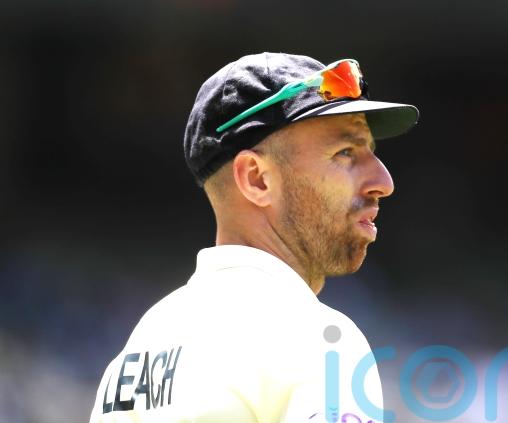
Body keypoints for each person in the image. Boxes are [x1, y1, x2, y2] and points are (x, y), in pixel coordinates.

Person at [89, 52, 419, 422]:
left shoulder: (141, 347)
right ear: (256, 179)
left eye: (370, 152)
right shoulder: (316, 338)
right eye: (345, 153)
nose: (384, 182)